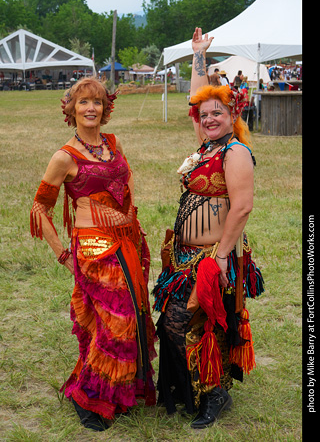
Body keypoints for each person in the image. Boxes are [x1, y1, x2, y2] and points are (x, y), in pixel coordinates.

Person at [30, 76, 157, 431]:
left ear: (106, 109)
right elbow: (40, 209)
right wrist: (63, 254)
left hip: (128, 243)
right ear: (70, 108)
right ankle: (88, 394)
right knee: (116, 322)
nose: (90, 108)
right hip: (94, 248)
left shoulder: (113, 145)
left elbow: (127, 185)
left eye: (97, 102)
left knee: (132, 316)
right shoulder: (63, 157)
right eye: (83, 102)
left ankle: (119, 392)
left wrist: (134, 228)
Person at [152, 27, 264, 429]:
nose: (210, 118)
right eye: (205, 115)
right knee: (172, 322)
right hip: (181, 256)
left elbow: (243, 207)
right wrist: (198, 56)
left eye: (219, 112)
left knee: (197, 324)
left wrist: (218, 259)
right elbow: (196, 98)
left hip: (212, 256)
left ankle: (214, 395)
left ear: (234, 115)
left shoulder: (235, 152)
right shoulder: (205, 145)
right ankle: (186, 390)